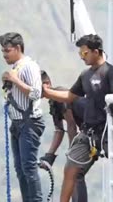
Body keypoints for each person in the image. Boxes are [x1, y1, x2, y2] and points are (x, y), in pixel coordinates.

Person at [42, 34, 113, 202]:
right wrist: (46, 92)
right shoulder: (85, 75)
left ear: (96, 52)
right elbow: (69, 96)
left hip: (108, 131)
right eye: (81, 54)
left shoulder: (110, 71)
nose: (82, 57)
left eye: (85, 53)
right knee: (70, 169)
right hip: (88, 131)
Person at [0, 32, 45, 202]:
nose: (4, 55)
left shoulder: (29, 66)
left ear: (18, 48)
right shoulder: (16, 68)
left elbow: (36, 93)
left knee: (28, 167)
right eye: (3, 51)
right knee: (20, 169)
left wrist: (15, 81)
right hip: (17, 123)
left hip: (30, 122)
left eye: (7, 51)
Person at [38, 70, 88, 202]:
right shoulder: (53, 102)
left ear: (47, 84)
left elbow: (71, 125)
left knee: (74, 171)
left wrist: (72, 151)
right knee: (74, 173)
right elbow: (59, 130)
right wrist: (49, 155)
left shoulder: (60, 94)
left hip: (92, 128)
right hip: (85, 131)